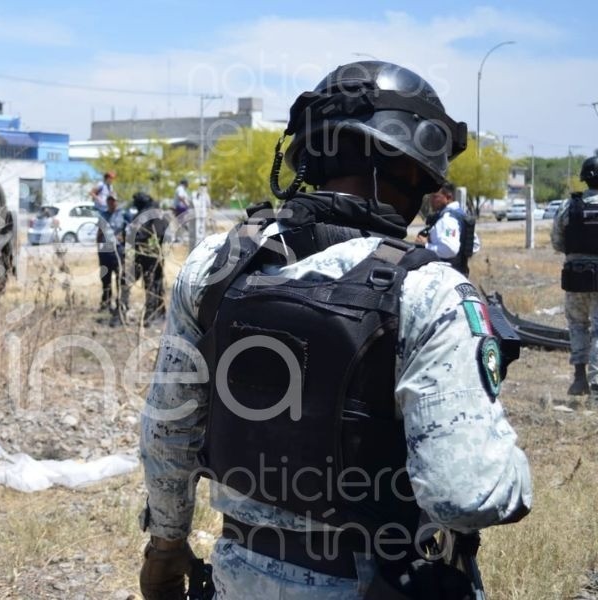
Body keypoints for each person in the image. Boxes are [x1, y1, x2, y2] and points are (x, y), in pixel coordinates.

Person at [138, 61, 532, 600]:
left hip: (238, 575)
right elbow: (467, 496)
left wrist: (165, 545)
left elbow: (168, 435)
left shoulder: (216, 263)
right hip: (380, 581)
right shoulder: (430, 290)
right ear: (414, 167)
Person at [551, 154, 598, 397]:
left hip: (576, 276)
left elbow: (558, 242)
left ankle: (579, 379)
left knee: (578, 326)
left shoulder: (568, 206)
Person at [122, 191, 168, 325]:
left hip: (151, 257)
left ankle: (152, 315)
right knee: (150, 284)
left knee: (152, 285)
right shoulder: (146, 213)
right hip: (143, 255)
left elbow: (155, 233)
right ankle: (154, 313)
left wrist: (136, 237)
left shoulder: (153, 214)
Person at [416, 182, 479, 276]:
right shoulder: (460, 214)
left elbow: (450, 249)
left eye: (435, 197)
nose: (431, 200)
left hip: (446, 275)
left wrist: (426, 245)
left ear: (448, 197)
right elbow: (475, 245)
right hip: (458, 272)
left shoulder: (448, 219)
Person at [96, 194, 128, 316]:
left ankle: (120, 303)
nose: (111, 203)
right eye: (109, 200)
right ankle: (106, 302)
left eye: (113, 201)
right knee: (105, 279)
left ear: (117, 202)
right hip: (105, 251)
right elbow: (99, 233)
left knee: (120, 278)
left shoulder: (123, 215)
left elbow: (129, 231)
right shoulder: (103, 216)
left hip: (118, 251)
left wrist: (123, 238)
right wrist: (98, 249)